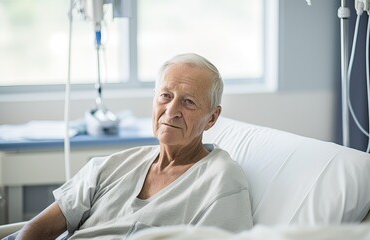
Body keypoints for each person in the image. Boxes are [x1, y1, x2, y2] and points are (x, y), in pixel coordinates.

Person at [14, 53, 254, 239]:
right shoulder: (110, 167)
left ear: (212, 118)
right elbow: (36, 231)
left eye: (188, 102)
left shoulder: (222, 181)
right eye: (165, 96)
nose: (171, 112)